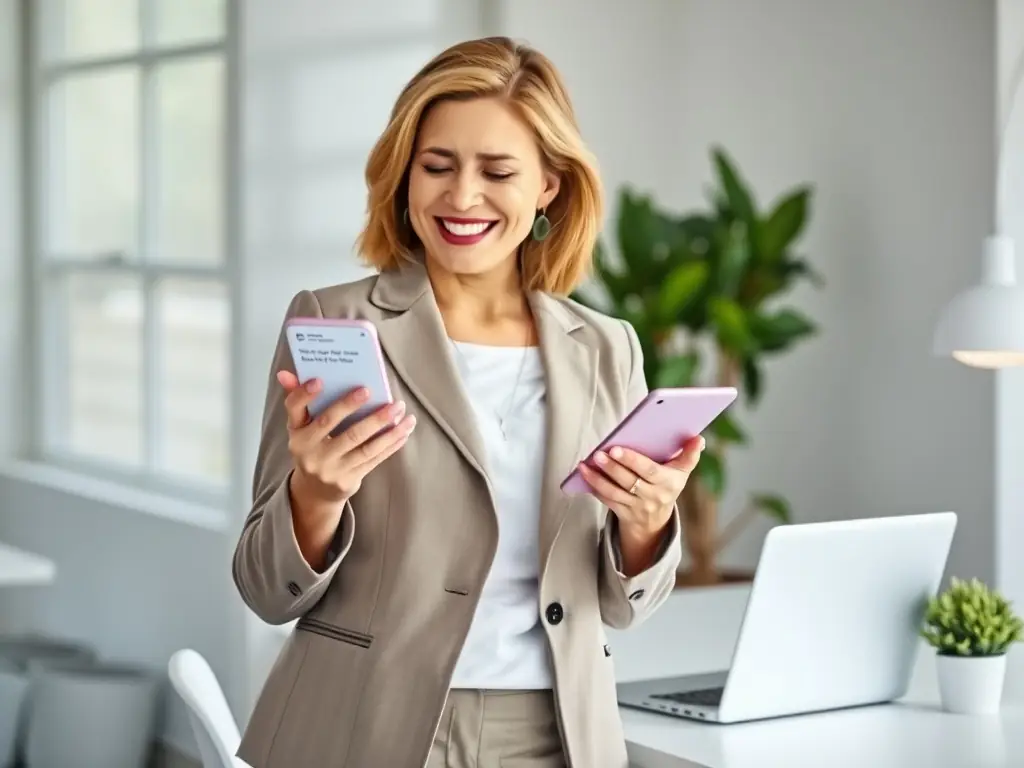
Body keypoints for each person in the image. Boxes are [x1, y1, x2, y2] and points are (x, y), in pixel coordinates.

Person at [231, 36, 703, 768]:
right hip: (362, 723)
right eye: (437, 166)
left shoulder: (610, 350)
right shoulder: (334, 323)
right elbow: (266, 588)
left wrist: (648, 526)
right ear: (405, 175)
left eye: (498, 171)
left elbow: (622, 605)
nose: (461, 198)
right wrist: (315, 496)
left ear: (549, 183)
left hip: (555, 735)